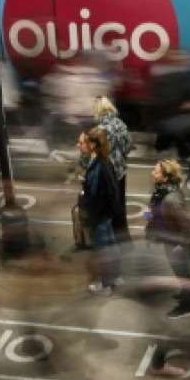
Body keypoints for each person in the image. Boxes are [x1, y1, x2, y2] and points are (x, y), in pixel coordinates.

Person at [145, 158, 190, 320]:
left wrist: (181, 245)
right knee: (180, 272)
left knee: (184, 273)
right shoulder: (161, 192)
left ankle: (186, 306)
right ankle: (185, 294)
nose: (152, 173)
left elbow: (186, 224)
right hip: (169, 238)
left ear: (166, 177)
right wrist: (149, 216)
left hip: (177, 243)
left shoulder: (171, 199)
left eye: (156, 171)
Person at [78, 128, 122, 296]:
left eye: (82, 143)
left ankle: (106, 285)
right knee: (111, 244)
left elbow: (94, 197)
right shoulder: (105, 160)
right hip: (108, 212)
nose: (79, 145)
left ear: (93, 145)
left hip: (100, 215)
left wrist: (89, 217)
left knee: (103, 250)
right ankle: (116, 276)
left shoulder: (96, 169)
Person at [93, 96, 133, 244]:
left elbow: (94, 154)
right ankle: (125, 239)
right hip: (121, 171)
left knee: (108, 209)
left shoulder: (98, 130)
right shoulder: (121, 124)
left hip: (107, 174)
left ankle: (111, 242)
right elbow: (128, 146)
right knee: (120, 206)